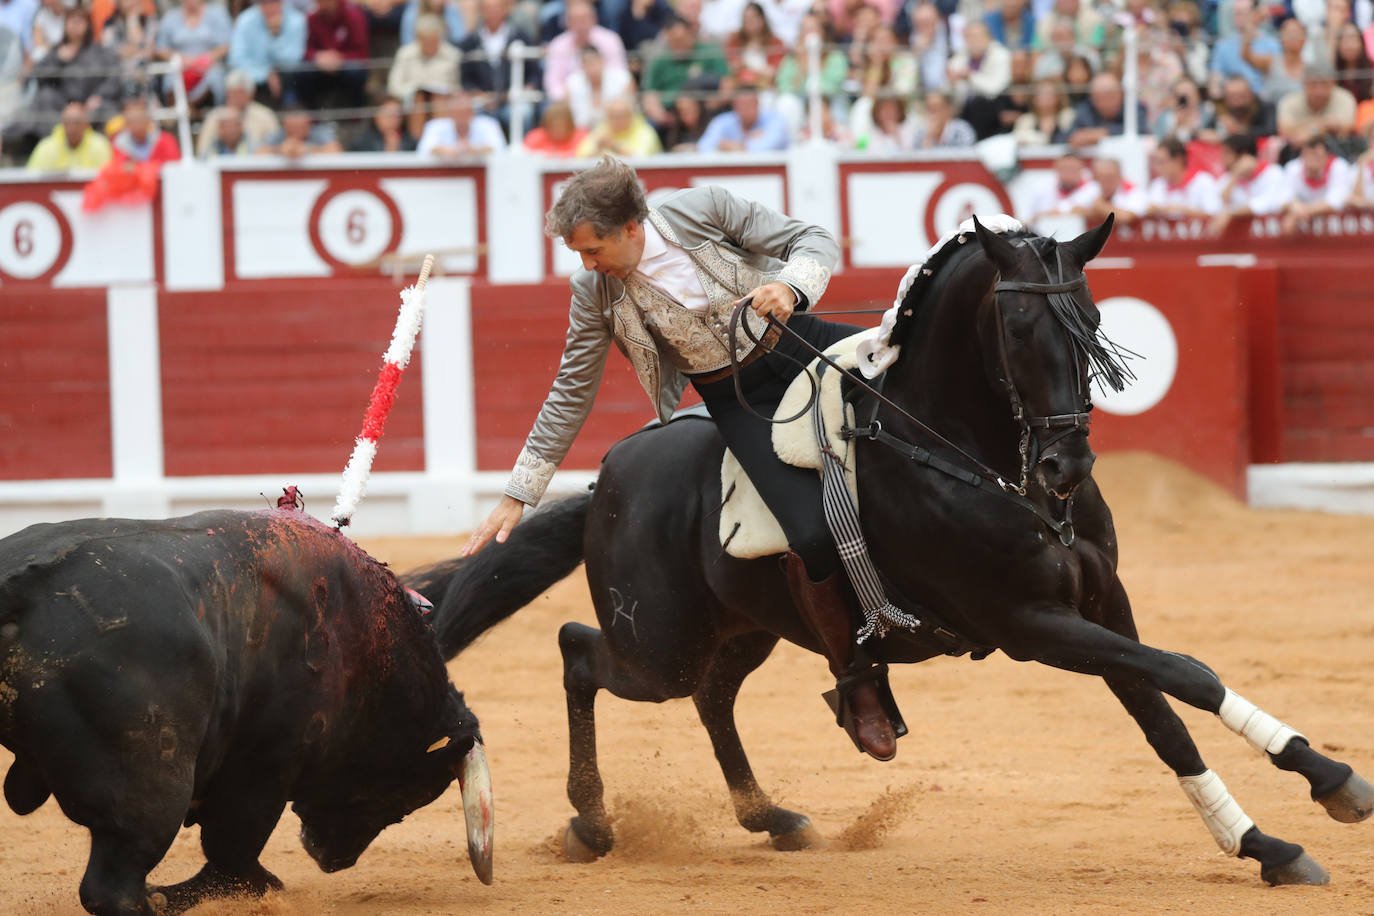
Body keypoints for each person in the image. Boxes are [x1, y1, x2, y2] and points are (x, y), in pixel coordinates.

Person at [462, 157, 900, 761]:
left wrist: (790, 286)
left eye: (592, 250)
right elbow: (572, 389)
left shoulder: (705, 209)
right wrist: (520, 492)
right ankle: (859, 685)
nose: (586, 265)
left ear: (632, 229)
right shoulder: (595, 292)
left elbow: (813, 238)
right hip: (739, 402)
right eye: (579, 254)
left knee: (919, 414)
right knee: (810, 533)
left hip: (803, 346)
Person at [387, 12, 460, 138]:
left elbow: (458, 86)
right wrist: (414, 91)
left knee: (438, 100)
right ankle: (417, 142)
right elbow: (394, 86)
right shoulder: (405, 54)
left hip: (443, 102)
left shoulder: (453, 55)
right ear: (418, 38)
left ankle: (440, 140)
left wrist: (440, 92)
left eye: (433, 41)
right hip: (411, 102)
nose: (430, 45)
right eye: (426, 41)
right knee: (419, 99)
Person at [1209, 132, 1291, 235]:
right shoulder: (1228, 177)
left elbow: (1264, 205)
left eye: (1227, 153)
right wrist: (1235, 175)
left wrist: (1231, 212)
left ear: (1244, 155)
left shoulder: (1273, 172)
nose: (1222, 158)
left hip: (1269, 240)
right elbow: (1220, 203)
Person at [227, 0, 307, 106]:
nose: (270, 7)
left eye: (274, 2)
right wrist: (265, 73)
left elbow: (294, 59)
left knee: (291, 77)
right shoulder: (245, 20)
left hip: (286, 79)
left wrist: (275, 35)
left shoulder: (296, 20)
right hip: (254, 80)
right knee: (237, 79)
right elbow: (236, 59)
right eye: (265, 2)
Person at [543, 0, 627, 100]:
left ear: (594, 19)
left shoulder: (611, 40)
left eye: (584, 19)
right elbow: (552, 83)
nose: (580, 25)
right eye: (575, 20)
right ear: (567, 23)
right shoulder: (558, 45)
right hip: (568, 101)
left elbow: (621, 75)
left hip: (609, 99)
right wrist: (566, 99)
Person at [299, 0, 370, 109]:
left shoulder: (354, 15)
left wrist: (340, 58)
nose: (320, 4)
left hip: (346, 66)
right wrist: (317, 56)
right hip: (321, 67)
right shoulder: (312, 17)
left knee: (355, 71)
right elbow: (304, 50)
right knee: (304, 72)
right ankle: (312, 116)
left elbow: (361, 52)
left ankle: (356, 114)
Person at [195, 68, 280, 158]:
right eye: (233, 93)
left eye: (241, 93)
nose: (236, 98)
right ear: (227, 94)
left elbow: (276, 145)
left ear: (251, 95)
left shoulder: (265, 116)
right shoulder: (214, 117)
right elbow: (202, 151)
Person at [1280, 134, 1355, 233]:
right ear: (1302, 154)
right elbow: (1283, 198)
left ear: (1327, 156)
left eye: (1317, 155)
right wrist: (1294, 206)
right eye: (1309, 154)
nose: (1313, 159)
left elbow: (1336, 201)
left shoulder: (1339, 167)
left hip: (1334, 231)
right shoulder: (1292, 168)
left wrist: (1299, 213)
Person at [1146, 135, 1222, 217]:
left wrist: (1183, 211)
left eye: (1162, 162)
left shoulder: (1203, 181)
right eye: (1156, 162)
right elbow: (1149, 208)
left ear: (1178, 159)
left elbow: (1214, 215)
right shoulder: (1158, 184)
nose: (1158, 168)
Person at [416, 88, 507, 156]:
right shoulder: (435, 126)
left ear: (472, 112)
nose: (461, 117)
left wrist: (473, 150)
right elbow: (424, 150)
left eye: (465, 112)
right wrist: (445, 151)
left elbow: (499, 148)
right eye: (458, 113)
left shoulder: (488, 124)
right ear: (450, 113)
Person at [696, 85, 790, 152]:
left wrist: (732, 146)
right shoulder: (722, 121)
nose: (745, 110)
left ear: (757, 103)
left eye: (749, 105)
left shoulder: (775, 119)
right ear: (734, 106)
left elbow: (770, 146)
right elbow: (704, 146)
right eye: (741, 105)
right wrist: (743, 144)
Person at [27, 99, 113, 171]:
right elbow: (32, 180)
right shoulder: (46, 148)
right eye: (68, 122)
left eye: (77, 122)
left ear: (86, 124)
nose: (72, 128)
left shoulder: (100, 146)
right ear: (62, 124)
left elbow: (108, 178)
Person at [575, 92, 663, 155]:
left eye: (621, 116)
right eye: (613, 116)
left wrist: (613, 147)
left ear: (631, 116)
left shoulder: (645, 132)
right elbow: (580, 156)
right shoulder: (602, 130)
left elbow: (641, 159)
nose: (617, 120)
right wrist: (597, 149)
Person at [1067, 156, 1146, 224]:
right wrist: (1105, 210)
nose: (1105, 181)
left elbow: (1125, 217)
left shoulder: (1132, 190)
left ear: (1119, 176)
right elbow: (1074, 210)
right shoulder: (1091, 187)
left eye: (1110, 177)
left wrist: (1098, 205)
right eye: (1101, 177)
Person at [111, 95, 180, 163]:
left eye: (139, 119)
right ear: (126, 123)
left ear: (147, 120)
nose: (137, 125)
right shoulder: (119, 145)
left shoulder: (165, 140)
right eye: (133, 120)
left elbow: (174, 165)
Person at [257, 106, 344, 157]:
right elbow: (258, 153)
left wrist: (307, 149)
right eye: (291, 129)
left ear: (308, 124)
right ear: (285, 126)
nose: (295, 133)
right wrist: (279, 150)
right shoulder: (278, 134)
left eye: (299, 128)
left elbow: (336, 151)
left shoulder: (319, 132)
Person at [350, 95, 418, 151]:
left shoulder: (411, 142)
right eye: (389, 114)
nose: (394, 119)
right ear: (376, 116)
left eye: (398, 114)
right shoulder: (362, 143)